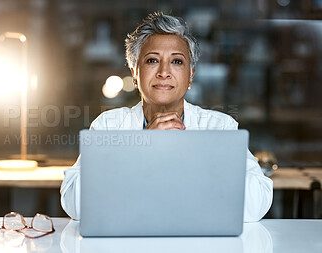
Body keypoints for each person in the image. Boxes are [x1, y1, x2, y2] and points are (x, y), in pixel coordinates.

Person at [60, 12, 273, 222]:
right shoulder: (108, 126)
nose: (164, 72)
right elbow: (75, 203)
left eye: (177, 62)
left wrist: (193, 152)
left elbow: (256, 204)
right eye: (152, 60)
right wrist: (141, 149)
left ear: (190, 76)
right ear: (135, 74)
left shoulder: (219, 127)